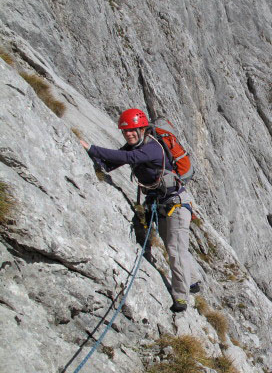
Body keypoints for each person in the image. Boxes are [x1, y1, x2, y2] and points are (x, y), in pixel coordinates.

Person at [78, 108, 200, 313]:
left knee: (175, 249)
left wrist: (92, 149)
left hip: (177, 204)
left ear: (143, 128)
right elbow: (122, 156)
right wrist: (103, 165)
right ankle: (193, 281)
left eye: (133, 130)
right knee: (174, 244)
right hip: (162, 203)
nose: (129, 134)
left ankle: (181, 297)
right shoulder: (137, 145)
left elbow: (129, 158)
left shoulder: (151, 148)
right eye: (125, 131)